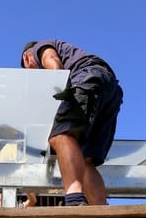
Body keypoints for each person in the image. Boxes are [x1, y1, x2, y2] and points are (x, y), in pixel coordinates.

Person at [21, 40, 122, 206]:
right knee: (85, 159)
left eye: (30, 71)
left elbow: (52, 61)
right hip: (110, 90)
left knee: (60, 136)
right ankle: (101, 209)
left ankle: (74, 198)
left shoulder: (41, 48)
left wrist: (58, 87)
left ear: (27, 57)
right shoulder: (71, 52)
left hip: (86, 79)